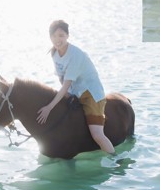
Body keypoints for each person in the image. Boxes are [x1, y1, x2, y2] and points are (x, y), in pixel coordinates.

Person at [37, 20, 115, 154]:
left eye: (61, 35)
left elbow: (66, 83)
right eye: (54, 36)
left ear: (67, 36)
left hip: (91, 94)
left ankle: (116, 159)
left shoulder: (75, 55)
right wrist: (67, 96)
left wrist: (49, 108)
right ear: (50, 37)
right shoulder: (55, 53)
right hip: (75, 92)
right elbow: (61, 79)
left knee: (97, 135)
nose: (57, 39)